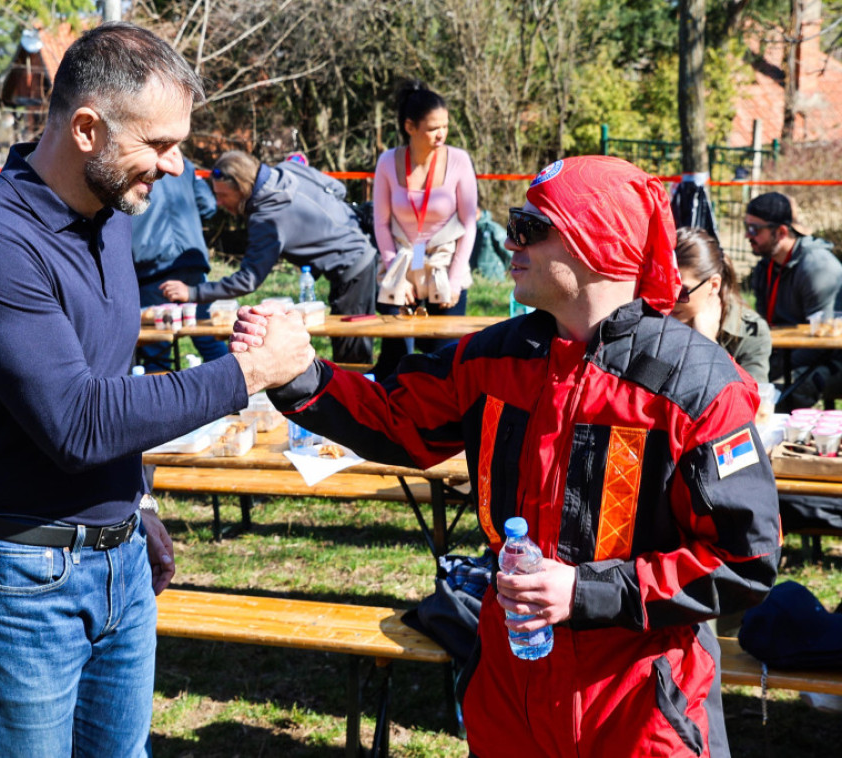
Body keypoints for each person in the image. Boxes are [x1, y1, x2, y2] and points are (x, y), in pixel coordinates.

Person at [235, 155, 780, 757]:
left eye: (529, 227)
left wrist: (585, 591)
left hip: (637, 705)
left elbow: (743, 562)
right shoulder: (496, 356)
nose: (507, 240)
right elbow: (397, 420)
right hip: (511, 688)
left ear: (594, 242)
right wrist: (301, 376)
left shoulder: (697, 384)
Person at [0, 22, 312, 756]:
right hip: (21, 573)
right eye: (158, 145)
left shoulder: (109, 221)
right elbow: (79, 422)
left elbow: (106, 381)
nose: (174, 166)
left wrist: (137, 503)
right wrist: (251, 372)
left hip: (121, 559)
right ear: (88, 129)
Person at [159, 149, 377, 365]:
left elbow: (249, 279)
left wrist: (193, 292)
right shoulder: (288, 169)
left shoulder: (267, 218)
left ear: (242, 187)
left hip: (353, 268)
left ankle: (364, 399)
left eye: (223, 195)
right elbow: (338, 189)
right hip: (361, 253)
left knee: (352, 359)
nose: (219, 203)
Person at [371, 80, 477, 380]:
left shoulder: (458, 160)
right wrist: (396, 276)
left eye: (445, 126)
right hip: (403, 261)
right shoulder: (388, 162)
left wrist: (454, 282)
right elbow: (380, 222)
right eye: (433, 128)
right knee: (394, 360)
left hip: (444, 264)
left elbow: (469, 223)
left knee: (447, 360)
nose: (441, 134)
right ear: (410, 127)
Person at [131, 156, 228, 372]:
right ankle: (237, 394)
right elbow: (209, 206)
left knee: (157, 347)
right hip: (191, 260)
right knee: (208, 338)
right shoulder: (182, 163)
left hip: (151, 266)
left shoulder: (132, 161)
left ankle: (161, 402)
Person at [746, 191, 842, 407]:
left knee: (781, 394)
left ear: (780, 232)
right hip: (786, 355)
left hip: (831, 358)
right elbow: (763, 326)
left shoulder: (817, 267)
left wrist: (775, 373)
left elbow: (823, 339)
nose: (747, 235)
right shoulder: (765, 267)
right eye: (746, 227)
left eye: (754, 229)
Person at [673, 227, 771, 383]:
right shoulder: (651, 319)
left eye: (681, 292)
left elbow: (749, 404)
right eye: (663, 287)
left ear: (713, 285)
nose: (669, 299)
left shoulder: (749, 332)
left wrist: (708, 344)